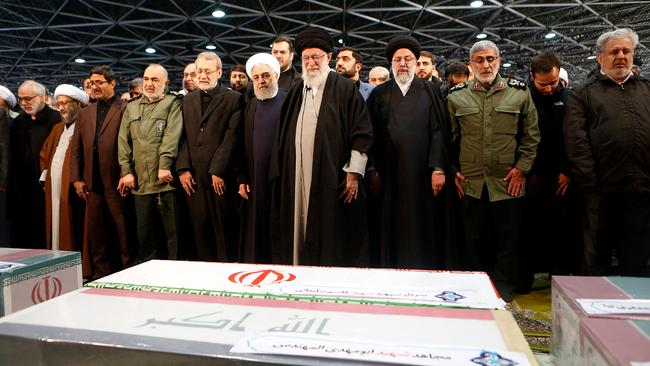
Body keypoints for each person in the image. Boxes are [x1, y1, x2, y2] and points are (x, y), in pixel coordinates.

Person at [270, 27, 373, 266]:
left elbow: (362, 132)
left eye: (316, 56)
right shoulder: (296, 89)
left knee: (331, 230)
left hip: (332, 175)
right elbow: (282, 134)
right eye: (306, 57)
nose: (311, 62)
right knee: (297, 225)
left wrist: (354, 173)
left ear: (328, 57)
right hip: (296, 176)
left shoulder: (344, 88)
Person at [448, 40, 540, 301]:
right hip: (471, 181)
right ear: (471, 64)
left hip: (507, 181)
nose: (485, 64)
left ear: (499, 61)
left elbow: (531, 136)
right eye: (479, 60)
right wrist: (452, 169)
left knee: (508, 237)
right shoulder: (456, 96)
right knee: (474, 238)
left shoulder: (519, 93)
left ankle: (503, 286)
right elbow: (448, 139)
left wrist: (522, 169)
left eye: (490, 59)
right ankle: (476, 286)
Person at [564, 28, 650, 277]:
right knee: (597, 256)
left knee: (638, 256)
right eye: (614, 52)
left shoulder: (646, 89)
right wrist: (590, 182)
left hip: (642, 190)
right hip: (602, 192)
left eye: (626, 51)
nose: (621, 56)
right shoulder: (583, 94)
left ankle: (636, 308)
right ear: (601, 57)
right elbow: (576, 142)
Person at [366, 35, 449, 269]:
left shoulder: (430, 91)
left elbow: (438, 131)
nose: (403, 63)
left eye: (408, 59)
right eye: (397, 59)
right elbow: (367, 133)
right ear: (391, 63)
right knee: (388, 223)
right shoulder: (378, 93)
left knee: (420, 222)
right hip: (387, 174)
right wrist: (371, 167)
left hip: (421, 174)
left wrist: (438, 168)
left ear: (415, 61)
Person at [519, 51, 582, 291]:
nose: (548, 89)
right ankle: (525, 278)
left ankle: (560, 278)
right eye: (542, 84)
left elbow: (575, 138)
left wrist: (568, 171)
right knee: (529, 229)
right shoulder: (522, 98)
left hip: (561, 177)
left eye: (553, 83)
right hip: (530, 175)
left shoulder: (569, 99)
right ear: (532, 76)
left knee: (561, 229)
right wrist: (528, 171)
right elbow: (519, 138)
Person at [70, 66, 137, 279]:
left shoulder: (125, 108)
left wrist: (129, 172)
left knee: (124, 232)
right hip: (92, 183)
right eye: (91, 83)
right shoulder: (84, 113)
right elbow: (76, 149)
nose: (94, 87)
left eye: (100, 82)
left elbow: (132, 144)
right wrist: (77, 178)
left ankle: (129, 273)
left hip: (117, 181)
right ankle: (101, 274)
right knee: (96, 234)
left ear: (112, 83)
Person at [177, 51, 244, 262]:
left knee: (224, 231)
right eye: (199, 71)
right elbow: (184, 137)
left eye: (208, 71)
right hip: (194, 180)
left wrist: (218, 170)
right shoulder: (188, 100)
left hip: (220, 179)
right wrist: (183, 168)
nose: (203, 76)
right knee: (200, 231)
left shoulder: (234, 99)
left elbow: (231, 137)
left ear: (219, 72)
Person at [117, 64, 183, 262]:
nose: (149, 84)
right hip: (141, 184)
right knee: (145, 236)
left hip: (165, 181)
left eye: (155, 80)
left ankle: (176, 276)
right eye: (146, 79)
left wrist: (164, 165)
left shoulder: (173, 102)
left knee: (173, 237)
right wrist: (126, 171)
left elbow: (172, 136)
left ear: (166, 83)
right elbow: (123, 141)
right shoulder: (132, 106)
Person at [237, 53, 286, 263]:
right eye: (256, 77)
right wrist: (242, 178)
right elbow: (241, 145)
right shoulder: (250, 106)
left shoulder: (289, 101)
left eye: (265, 75)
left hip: (283, 179)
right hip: (255, 180)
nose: (261, 81)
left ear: (276, 74)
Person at [39, 84, 88, 272]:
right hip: (54, 187)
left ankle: (74, 266)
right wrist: (45, 176)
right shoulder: (57, 128)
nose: (61, 108)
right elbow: (45, 154)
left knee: (72, 225)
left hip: (74, 187)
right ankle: (56, 260)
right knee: (55, 223)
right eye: (58, 104)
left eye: (65, 103)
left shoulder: (84, 126)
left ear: (77, 104)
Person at [9, 80, 60, 249]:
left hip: (45, 184)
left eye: (28, 98)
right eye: (21, 99)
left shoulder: (55, 119)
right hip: (21, 186)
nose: (24, 103)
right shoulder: (19, 121)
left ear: (43, 97)